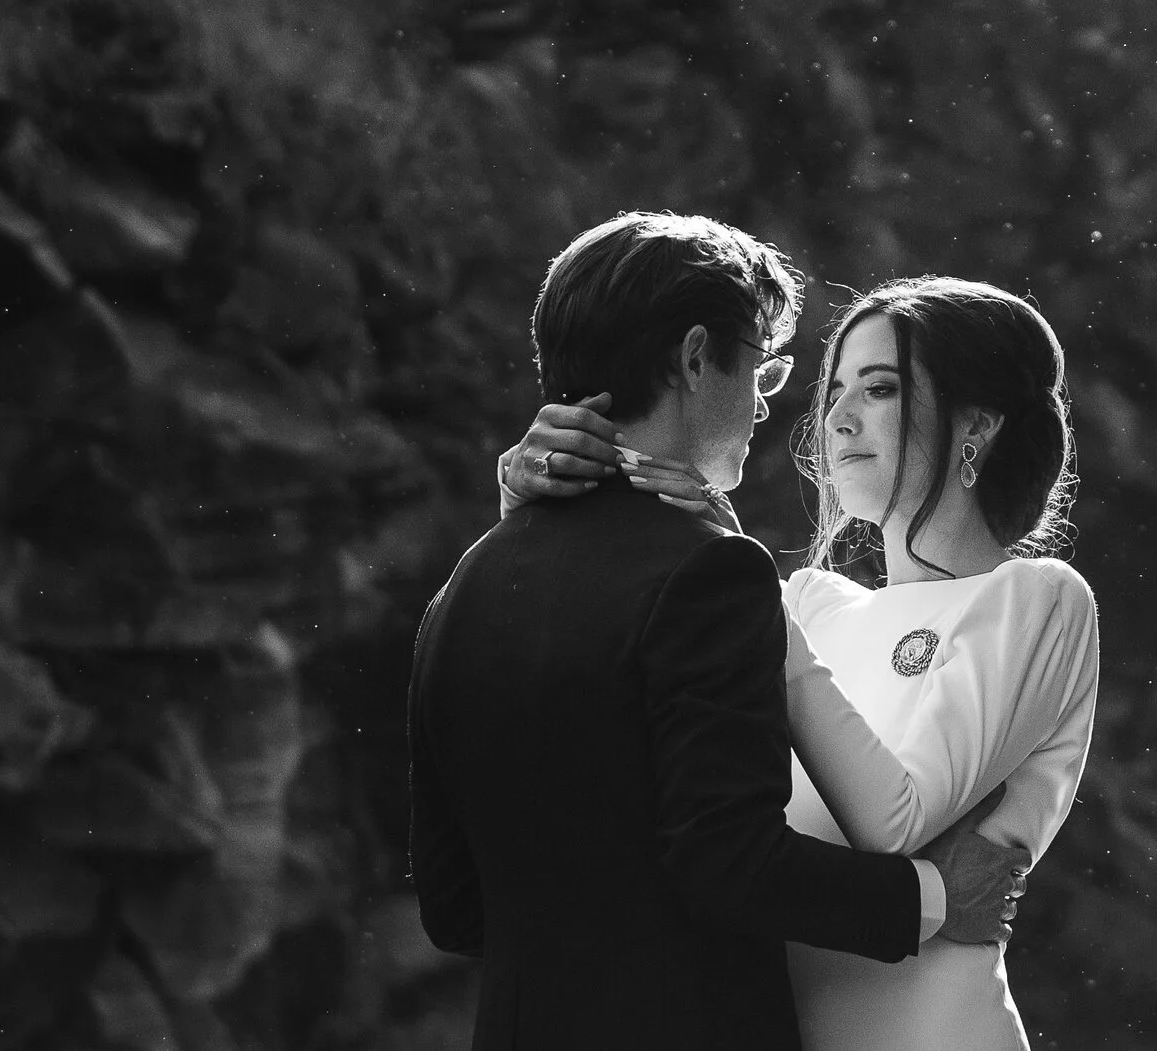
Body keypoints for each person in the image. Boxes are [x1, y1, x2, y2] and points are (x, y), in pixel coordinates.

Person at [411, 215, 1031, 1051]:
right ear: (698, 356)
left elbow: (454, 907)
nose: (765, 401)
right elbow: (728, 864)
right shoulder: (709, 572)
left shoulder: (464, 587)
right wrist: (931, 899)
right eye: (763, 368)